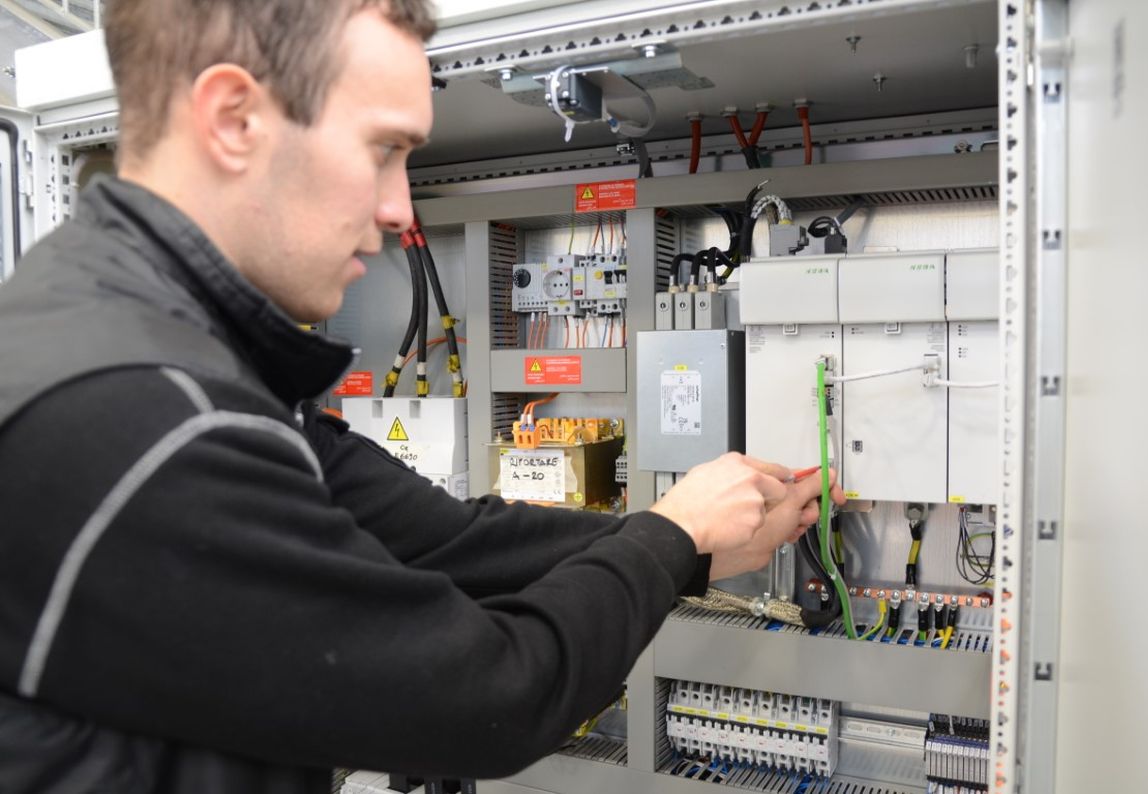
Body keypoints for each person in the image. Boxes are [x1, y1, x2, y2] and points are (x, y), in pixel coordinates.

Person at [0, 1, 844, 792]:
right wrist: (671, 537)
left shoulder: (177, 355)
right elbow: (492, 693)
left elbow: (454, 540)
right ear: (233, 121)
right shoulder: (148, 422)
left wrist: (686, 546)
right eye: (382, 151)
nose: (401, 212)